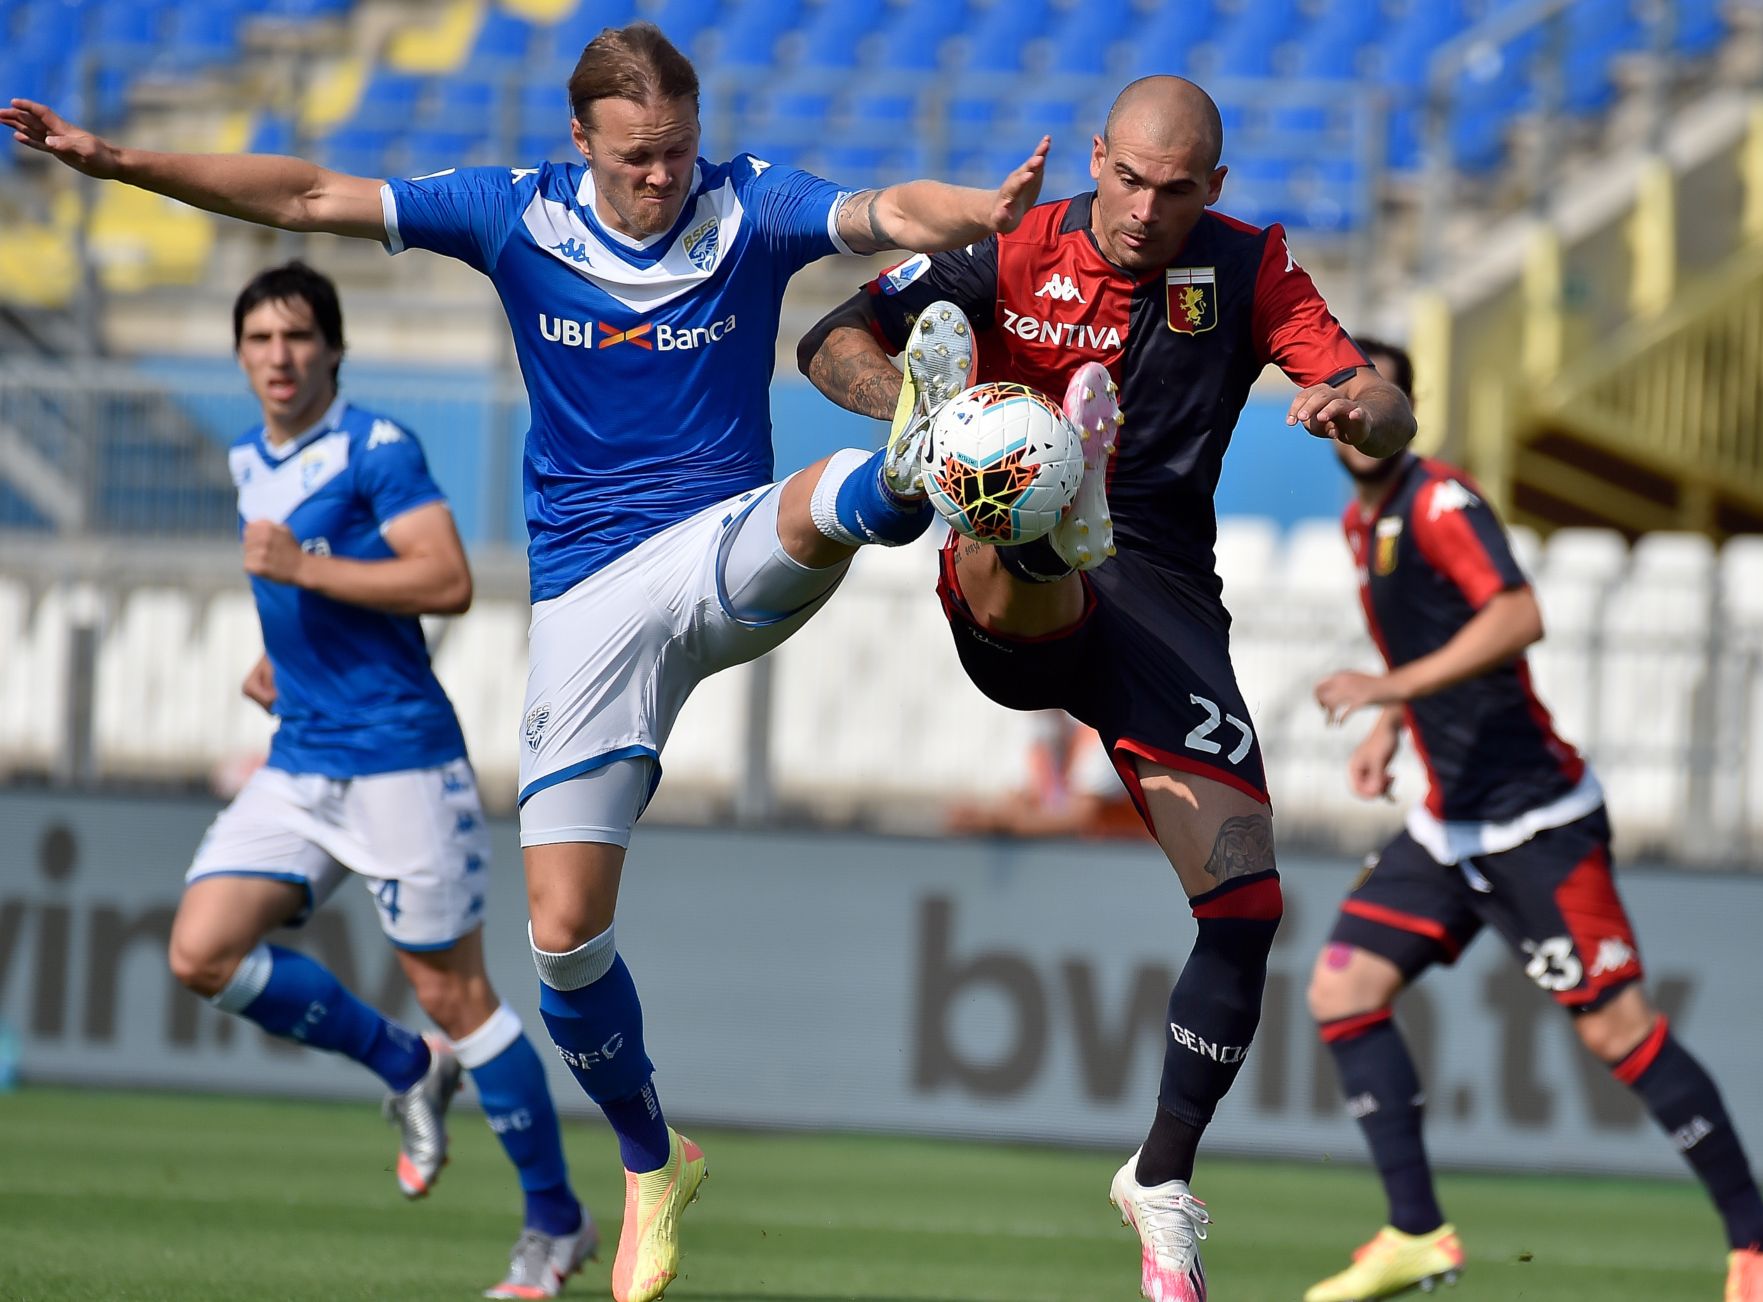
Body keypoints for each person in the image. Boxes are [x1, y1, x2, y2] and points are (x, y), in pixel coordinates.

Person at [7, 24, 1047, 1302]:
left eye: (676, 151)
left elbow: (891, 208)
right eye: (636, 159)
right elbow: (308, 194)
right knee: (562, 942)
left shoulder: (750, 203)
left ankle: (914, 456)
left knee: (819, 503)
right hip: (584, 610)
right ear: (579, 144)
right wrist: (117, 162)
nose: (663, 177)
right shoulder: (513, 216)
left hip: (713, 550)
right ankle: (654, 1162)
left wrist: (977, 209)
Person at [798, 74, 1413, 1302]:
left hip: (1164, 595)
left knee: (1246, 903)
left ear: (1215, 190)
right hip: (1001, 547)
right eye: (1126, 179)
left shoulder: (1249, 267)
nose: (1142, 208)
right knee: (1011, 488)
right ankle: (1032, 488)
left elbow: (1386, 414)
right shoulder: (1015, 240)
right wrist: (901, 410)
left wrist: (1359, 407)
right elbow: (825, 339)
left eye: (1174, 190)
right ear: (1096, 158)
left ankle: (1162, 1177)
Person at [1299, 339, 1763, 1302]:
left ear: (1405, 406)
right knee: (1341, 991)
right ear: (1318, 405)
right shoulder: (1359, 525)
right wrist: (1392, 723)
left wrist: (1390, 686)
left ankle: (1761, 1239)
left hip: (1535, 822)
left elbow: (1518, 615)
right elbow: (1428, 639)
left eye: (1374, 388)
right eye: (1339, 385)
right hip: (1447, 824)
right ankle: (1416, 1232)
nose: (1356, 407)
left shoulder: (1442, 503)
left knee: (1620, 1034)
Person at [166, 261, 594, 1299]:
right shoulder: (248, 461)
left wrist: (306, 574)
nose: (280, 356)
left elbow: (443, 580)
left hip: (401, 763)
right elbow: (321, 592)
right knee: (201, 952)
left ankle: (557, 1224)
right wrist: (290, 654)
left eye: (299, 337)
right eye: (261, 339)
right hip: (302, 755)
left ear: (334, 349)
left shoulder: (377, 449)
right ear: (239, 355)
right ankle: (404, 1068)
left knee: (460, 996)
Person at [942, 709, 1143, 839]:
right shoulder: (1040, 738)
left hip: (1130, 861)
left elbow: (1081, 816)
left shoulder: (1099, 735)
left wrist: (999, 824)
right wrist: (983, 816)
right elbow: (1019, 799)